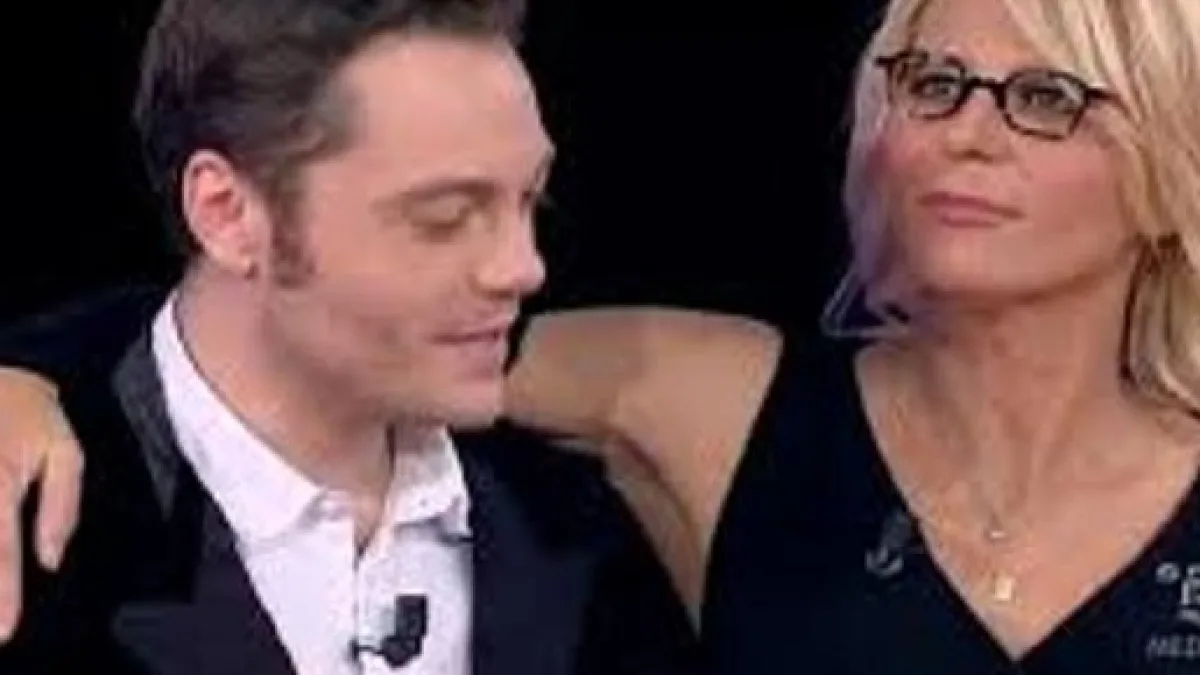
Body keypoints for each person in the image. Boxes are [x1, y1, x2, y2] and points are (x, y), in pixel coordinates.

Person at [3, 0, 1200, 672]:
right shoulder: (713, 401)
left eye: (1045, 99)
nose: (969, 134)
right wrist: (29, 372)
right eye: (933, 84)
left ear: (1169, 160)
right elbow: (331, 332)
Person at [0, 0, 697, 673]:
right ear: (227, 213)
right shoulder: (38, 542)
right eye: (446, 217)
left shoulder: (579, 535)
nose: (524, 267)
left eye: (531, 200)